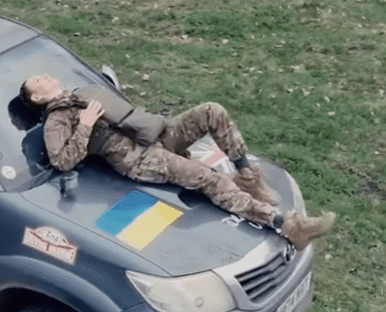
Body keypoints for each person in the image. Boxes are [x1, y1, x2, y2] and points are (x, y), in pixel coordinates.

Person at [20, 74, 336, 249]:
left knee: (211, 111)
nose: (44, 75)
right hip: (140, 159)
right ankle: (286, 225)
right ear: (37, 98)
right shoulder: (57, 120)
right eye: (37, 80)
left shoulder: (84, 91)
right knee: (209, 179)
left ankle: (249, 177)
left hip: (156, 135)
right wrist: (86, 125)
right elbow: (61, 160)